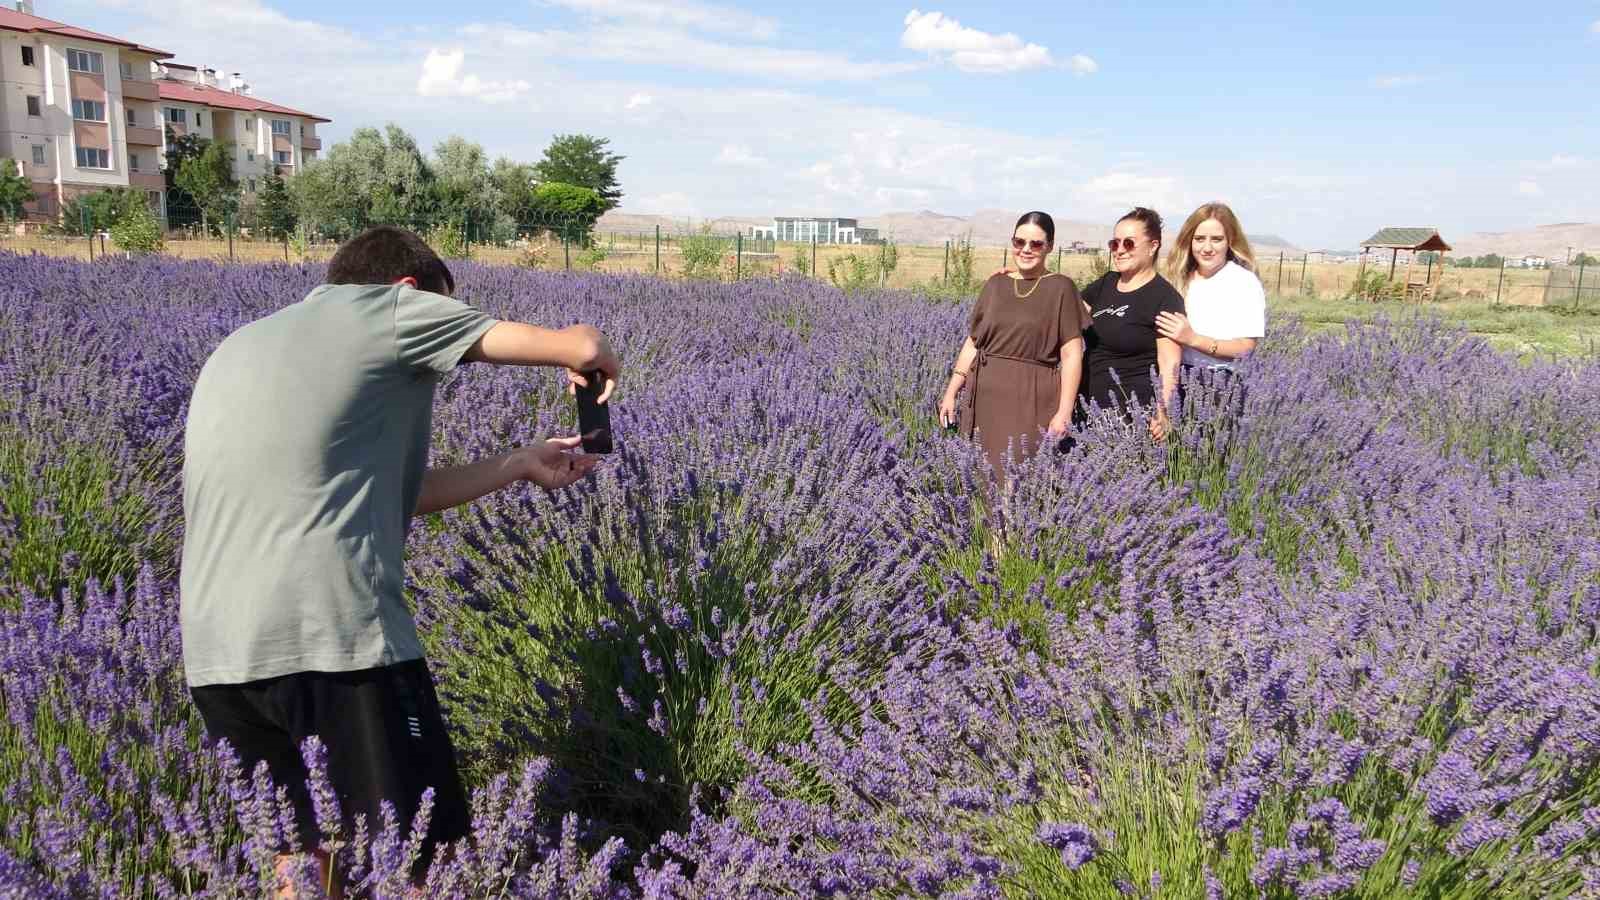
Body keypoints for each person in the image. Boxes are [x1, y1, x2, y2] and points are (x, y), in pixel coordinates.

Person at [179, 226, 621, 897]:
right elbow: (581, 343)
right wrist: (589, 356)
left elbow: (395, 495)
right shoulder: (389, 309)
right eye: (445, 313)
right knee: (422, 864)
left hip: (220, 656)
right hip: (336, 642)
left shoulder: (244, 343)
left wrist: (517, 465)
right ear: (412, 291)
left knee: (301, 860)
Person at [938, 211, 1085, 478]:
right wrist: (951, 391)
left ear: (1050, 246)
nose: (1026, 250)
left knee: (1018, 480)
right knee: (979, 479)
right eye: (1019, 242)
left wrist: (1065, 410)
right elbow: (973, 342)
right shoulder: (995, 284)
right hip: (984, 398)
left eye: (1036, 244)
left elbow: (1072, 353)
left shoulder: (1061, 288)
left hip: (1031, 398)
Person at [1077, 207, 1185, 438]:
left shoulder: (1164, 298)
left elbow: (1169, 363)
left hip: (1133, 415)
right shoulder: (1105, 284)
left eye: (1129, 243)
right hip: (1090, 408)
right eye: (1114, 244)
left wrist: (1164, 412)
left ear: (1153, 246)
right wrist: (1021, 280)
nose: (1119, 250)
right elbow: (1066, 314)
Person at [1155, 202, 1266, 410]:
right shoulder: (1177, 278)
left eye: (1216, 239)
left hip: (1218, 385)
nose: (1207, 248)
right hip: (1173, 379)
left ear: (1229, 241)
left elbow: (1245, 348)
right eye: (1199, 239)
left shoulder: (1243, 282)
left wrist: (1193, 339)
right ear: (1189, 241)